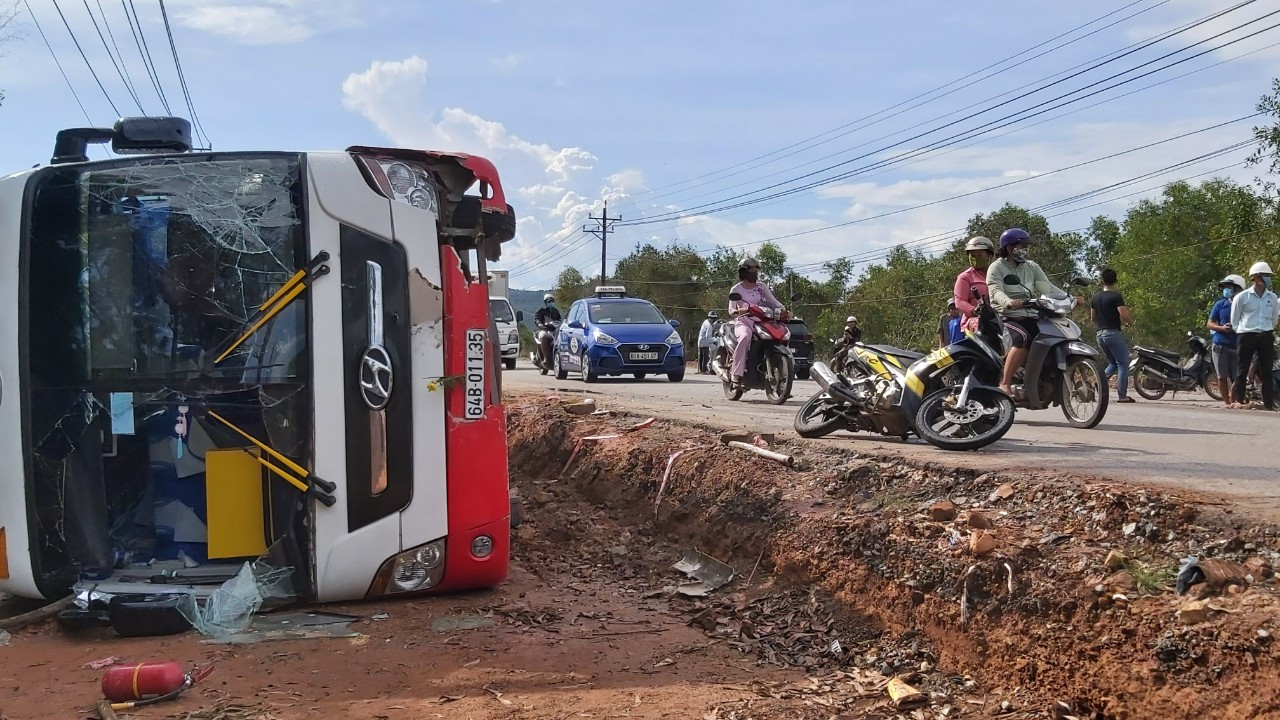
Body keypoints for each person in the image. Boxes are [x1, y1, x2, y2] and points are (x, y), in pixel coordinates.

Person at [987, 227, 1067, 397]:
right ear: (1008, 248)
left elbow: (1046, 287)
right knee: (1023, 338)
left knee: (1054, 334)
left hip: (1032, 313)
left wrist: (1069, 297)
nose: (1024, 250)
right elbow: (996, 292)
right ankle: (1006, 383)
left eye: (1025, 247)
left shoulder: (1031, 267)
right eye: (1021, 246)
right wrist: (1009, 302)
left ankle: (1042, 376)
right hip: (1008, 316)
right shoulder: (997, 268)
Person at [727, 256, 784, 384]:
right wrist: (739, 311)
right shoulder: (736, 289)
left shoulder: (762, 287)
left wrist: (784, 309)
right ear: (743, 272)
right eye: (751, 270)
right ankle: (736, 373)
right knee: (745, 337)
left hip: (762, 321)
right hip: (744, 321)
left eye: (756, 270)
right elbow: (731, 310)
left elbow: (773, 302)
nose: (755, 273)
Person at [1231, 261, 1278, 410]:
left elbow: (1274, 319)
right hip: (1246, 335)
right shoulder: (1243, 297)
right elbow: (1234, 320)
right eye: (1266, 275)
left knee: (1266, 371)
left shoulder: (1272, 297)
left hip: (1265, 335)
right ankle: (1239, 400)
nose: (1268, 278)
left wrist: (1267, 330)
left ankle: (1268, 403)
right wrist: (1244, 331)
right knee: (1242, 369)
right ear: (1256, 277)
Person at [1090, 268, 1135, 403]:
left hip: (1100, 335)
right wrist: (1131, 323)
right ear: (1115, 281)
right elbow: (1123, 313)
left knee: (1113, 362)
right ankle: (1122, 396)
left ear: (1101, 281)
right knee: (1123, 363)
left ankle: (1100, 381)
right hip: (1113, 333)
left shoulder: (1095, 298)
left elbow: (1093, 318)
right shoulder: (1116, 296)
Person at [1207, 274, 1246, 408]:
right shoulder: (1220, 304)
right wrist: (1221, 328)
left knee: (1237, 377)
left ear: (1238, 289)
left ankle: (1233, 400)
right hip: (1220, 345)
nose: (1226, 290)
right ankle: (1227, 403)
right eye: (1225, 287)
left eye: (1229, 287)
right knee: (1222, 377)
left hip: (1237, 346)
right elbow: (1210, 323)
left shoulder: (1244, 305)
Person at [954, 236, 994, 334]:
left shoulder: (997, 274)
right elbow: (959, 301)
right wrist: (974, 311)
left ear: (989, 255)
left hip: (999, 316)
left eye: (979, 255)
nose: (976, 258)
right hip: (974, 321)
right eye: (973, 256)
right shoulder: (965, 277)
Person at [533, 293, 561, 365]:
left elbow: (559, 320)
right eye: (549, 301)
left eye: (552, 301)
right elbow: (537, 319)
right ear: (545, 302)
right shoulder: (541, 311)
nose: (551, 303)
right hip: (543, 330)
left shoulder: (556, 311)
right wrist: (540, 324)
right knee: (544, 336)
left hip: (553, 330)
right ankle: (545, 358)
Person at [697, 310, 719, 374]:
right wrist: (715, 340)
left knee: (701, 356)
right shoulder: (709, 326)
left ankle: (701, 370)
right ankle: (704, 370)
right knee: (705, 356)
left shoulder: (705, 322)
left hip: (701, 340)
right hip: (705, 342)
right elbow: (708, 337)